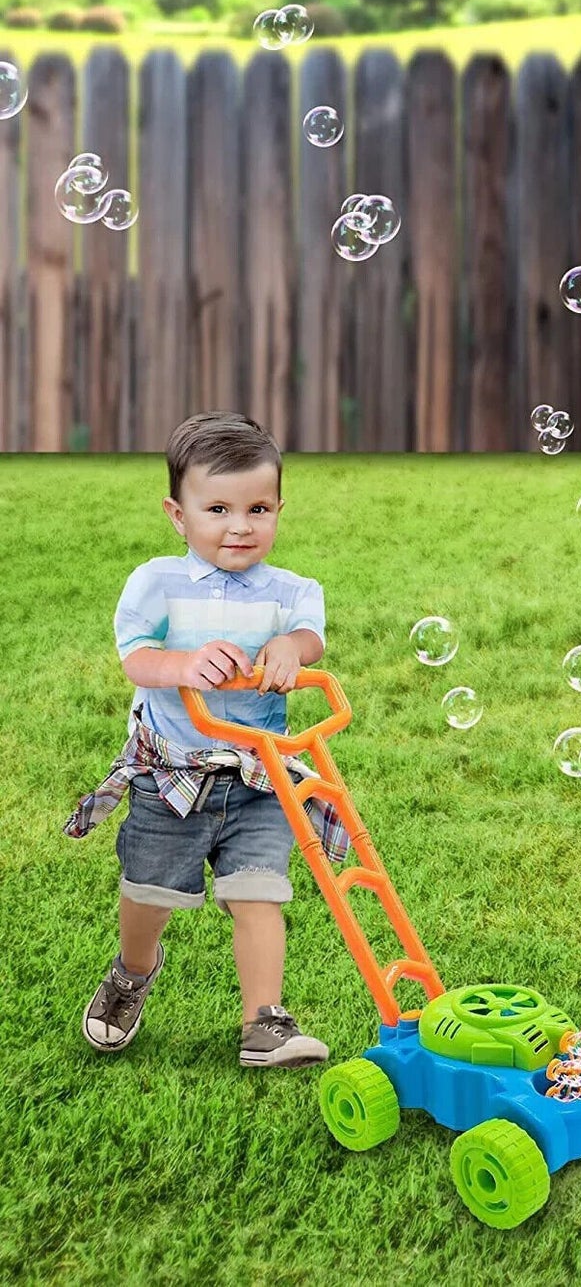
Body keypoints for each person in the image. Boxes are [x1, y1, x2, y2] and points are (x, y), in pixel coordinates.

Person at [67, 411, 349, 1067]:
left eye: (258, 507)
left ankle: (264, 1022)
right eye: (217, 507)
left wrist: (289, 648)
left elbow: (310, 638)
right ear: (177, 513)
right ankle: (133, 973)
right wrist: (183, 662)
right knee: (149, 891)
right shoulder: (154, 582)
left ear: (278, 507)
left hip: (259, 779)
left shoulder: (293, 592)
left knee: (260, 892)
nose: (240, 525)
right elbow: (138, 657)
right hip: (172, 777)